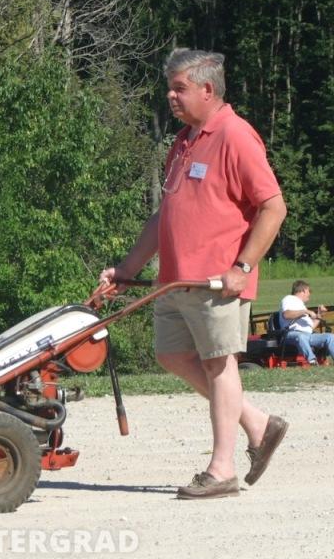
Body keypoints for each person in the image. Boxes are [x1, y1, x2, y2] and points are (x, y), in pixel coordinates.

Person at [99, 49, 289, 500]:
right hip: (176, 280)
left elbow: (273, 207)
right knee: (170, 356)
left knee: (218, 363)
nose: (170, 95)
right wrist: (127, 269)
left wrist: (242, 267)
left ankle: (221, 469)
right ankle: (258, 424)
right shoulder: (184, 142)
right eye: (170, 87)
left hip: (216, 282)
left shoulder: (236, 136)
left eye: (179, 88)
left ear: (208, 89)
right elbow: (165, 215)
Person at [280, 280, 334, 365]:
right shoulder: (289, 299)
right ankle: (312, 361)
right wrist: (305, 311)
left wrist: (320, 315)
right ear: (304, 290)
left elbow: (310, 328)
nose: (310, 294)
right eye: (309, 291)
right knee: (301, 337)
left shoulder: (301, 305)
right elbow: (286, 314)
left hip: (307, 335)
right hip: (290, 334)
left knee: (330, 337)